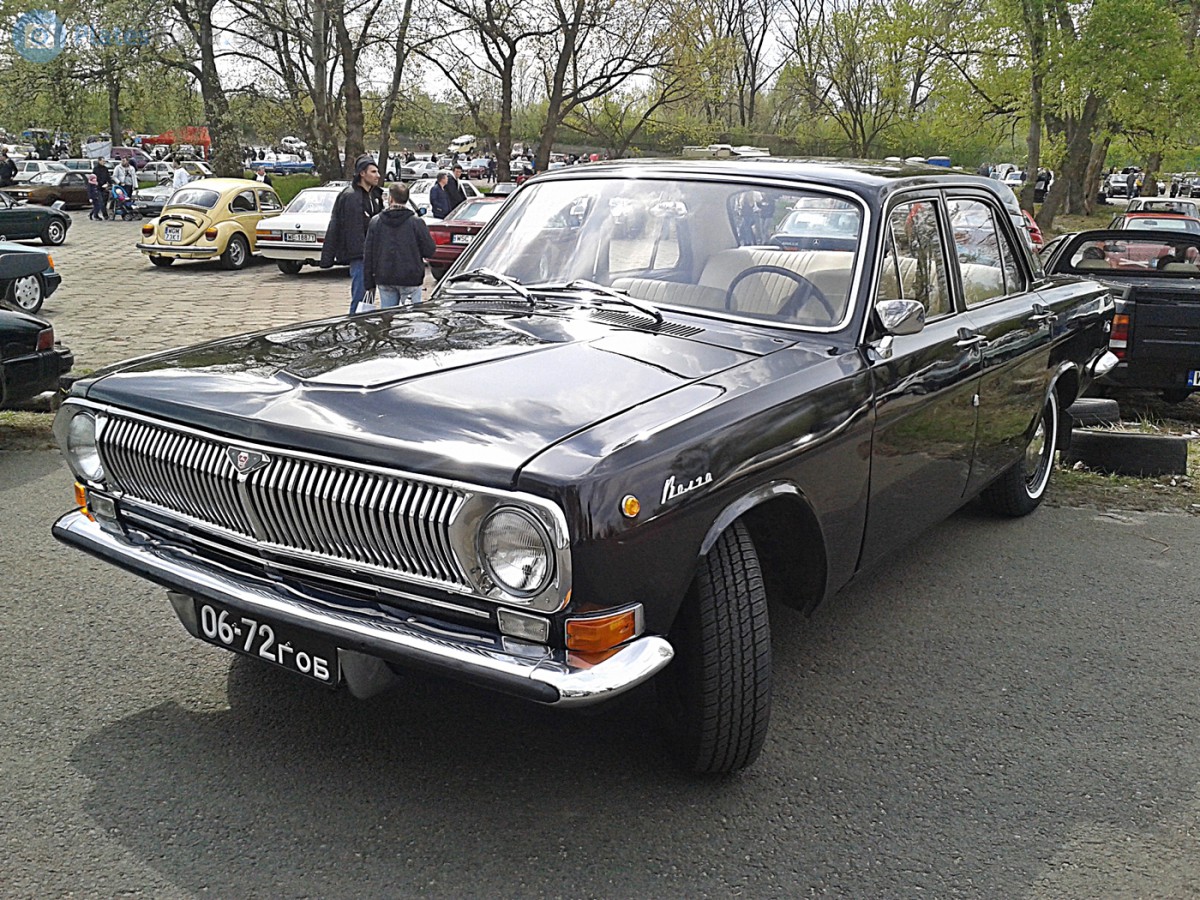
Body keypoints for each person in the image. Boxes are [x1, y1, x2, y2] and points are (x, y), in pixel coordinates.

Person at [320, 153, 384, 315]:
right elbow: (351, 229)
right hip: (360, 256)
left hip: (371, 254)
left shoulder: (374, 195)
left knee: (368, 295)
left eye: (377, 172)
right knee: (360, 296)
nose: (378, 175)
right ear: (362, 173)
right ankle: (355, 325)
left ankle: (364, 325)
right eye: (373, 172)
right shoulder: (351, 197)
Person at [362, 182, 435, 309]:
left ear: (391, 198)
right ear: (407, 199)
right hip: (410, 277)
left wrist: (369, 282)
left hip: (385, 276)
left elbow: (368, 253)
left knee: (388, 316)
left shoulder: (376, 222)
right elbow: (429, 250)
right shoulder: (416, 222)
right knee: (411, 320)